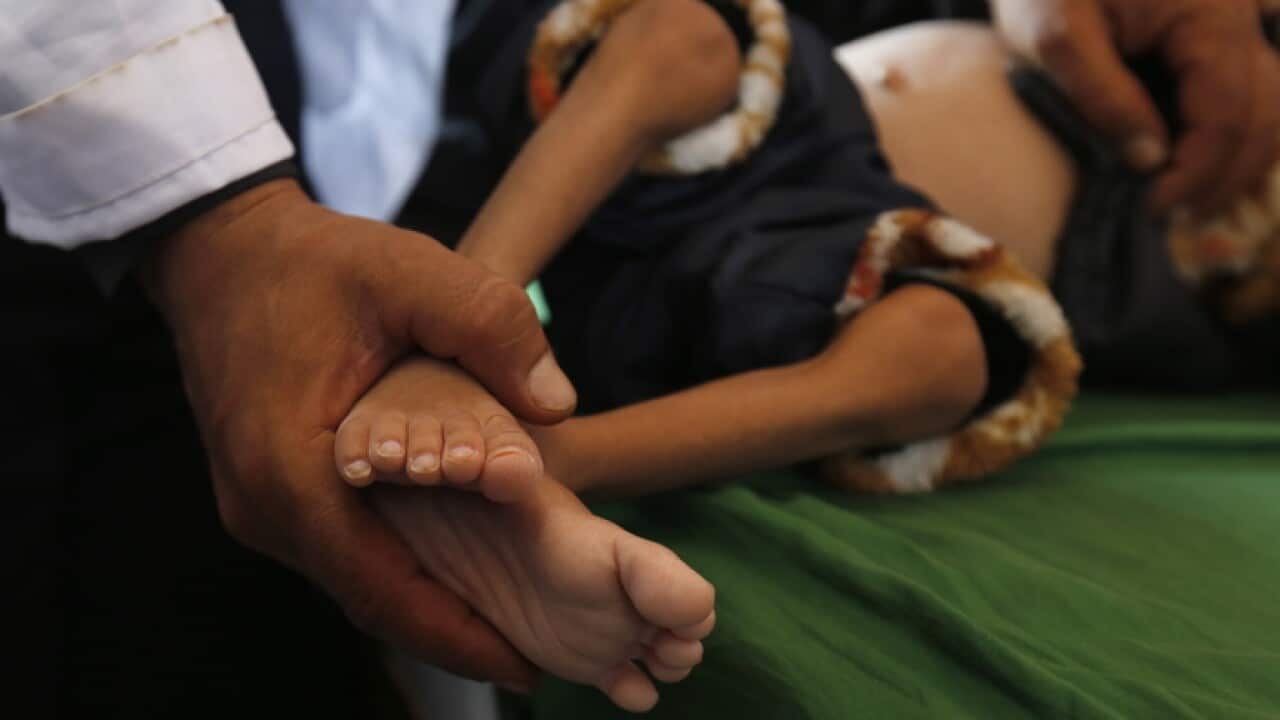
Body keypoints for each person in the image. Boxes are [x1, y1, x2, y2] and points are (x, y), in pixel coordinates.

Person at [4, 0, 1274, 715]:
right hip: (717, 156)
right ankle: (480, 374)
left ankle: (537, 460)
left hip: (819, 240)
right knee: (670, 43)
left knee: (941, 346)